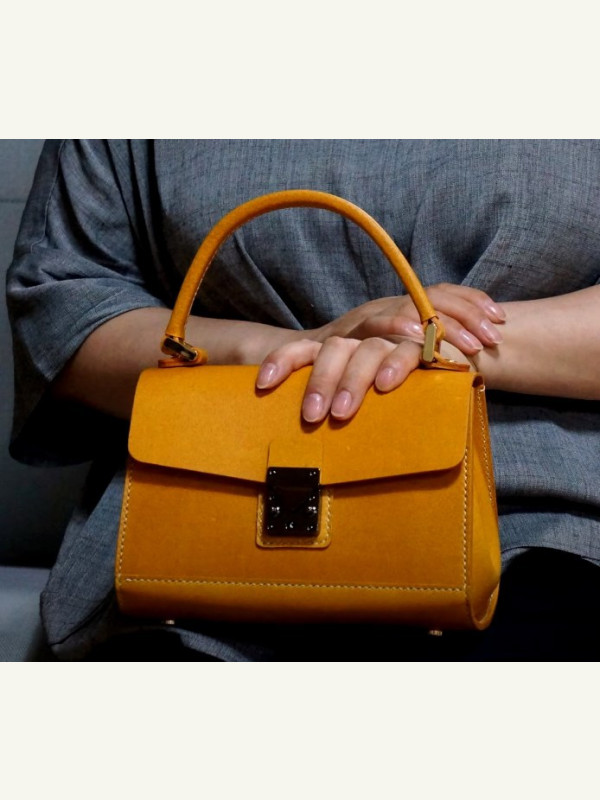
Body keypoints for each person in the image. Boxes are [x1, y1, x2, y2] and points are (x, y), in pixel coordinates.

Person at [6, 139, 600, 661]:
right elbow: (61, 305)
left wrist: (437, 346)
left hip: (541, 525)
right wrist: (296, 351)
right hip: (203, 512)